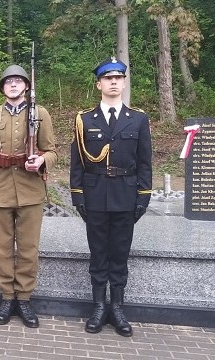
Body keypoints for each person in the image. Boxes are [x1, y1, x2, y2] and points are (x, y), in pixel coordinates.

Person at [69, 57, 152, 337]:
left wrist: (143, 196)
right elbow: (77, 162)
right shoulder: (84, 120)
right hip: (94, 196)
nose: (113, 82)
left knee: (119, 254)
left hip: (126, 195)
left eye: (118, 78)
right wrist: (78, 195)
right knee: (98, 254)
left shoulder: (138, 118)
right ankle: (98, 307)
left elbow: (145, 162)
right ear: (99, 84)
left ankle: (117, 308)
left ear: (124, 82)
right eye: (108, 78)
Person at [0, 65, 58, 328]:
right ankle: (7, 297)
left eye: (18, 81)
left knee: (28, 249)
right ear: (2, 87)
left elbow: (53, 151)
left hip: (31, 190)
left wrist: (42, 160)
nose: (13, 85)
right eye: (8, 81)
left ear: (26, 86)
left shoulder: (40, 113)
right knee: (1, 249)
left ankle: (23, 298)